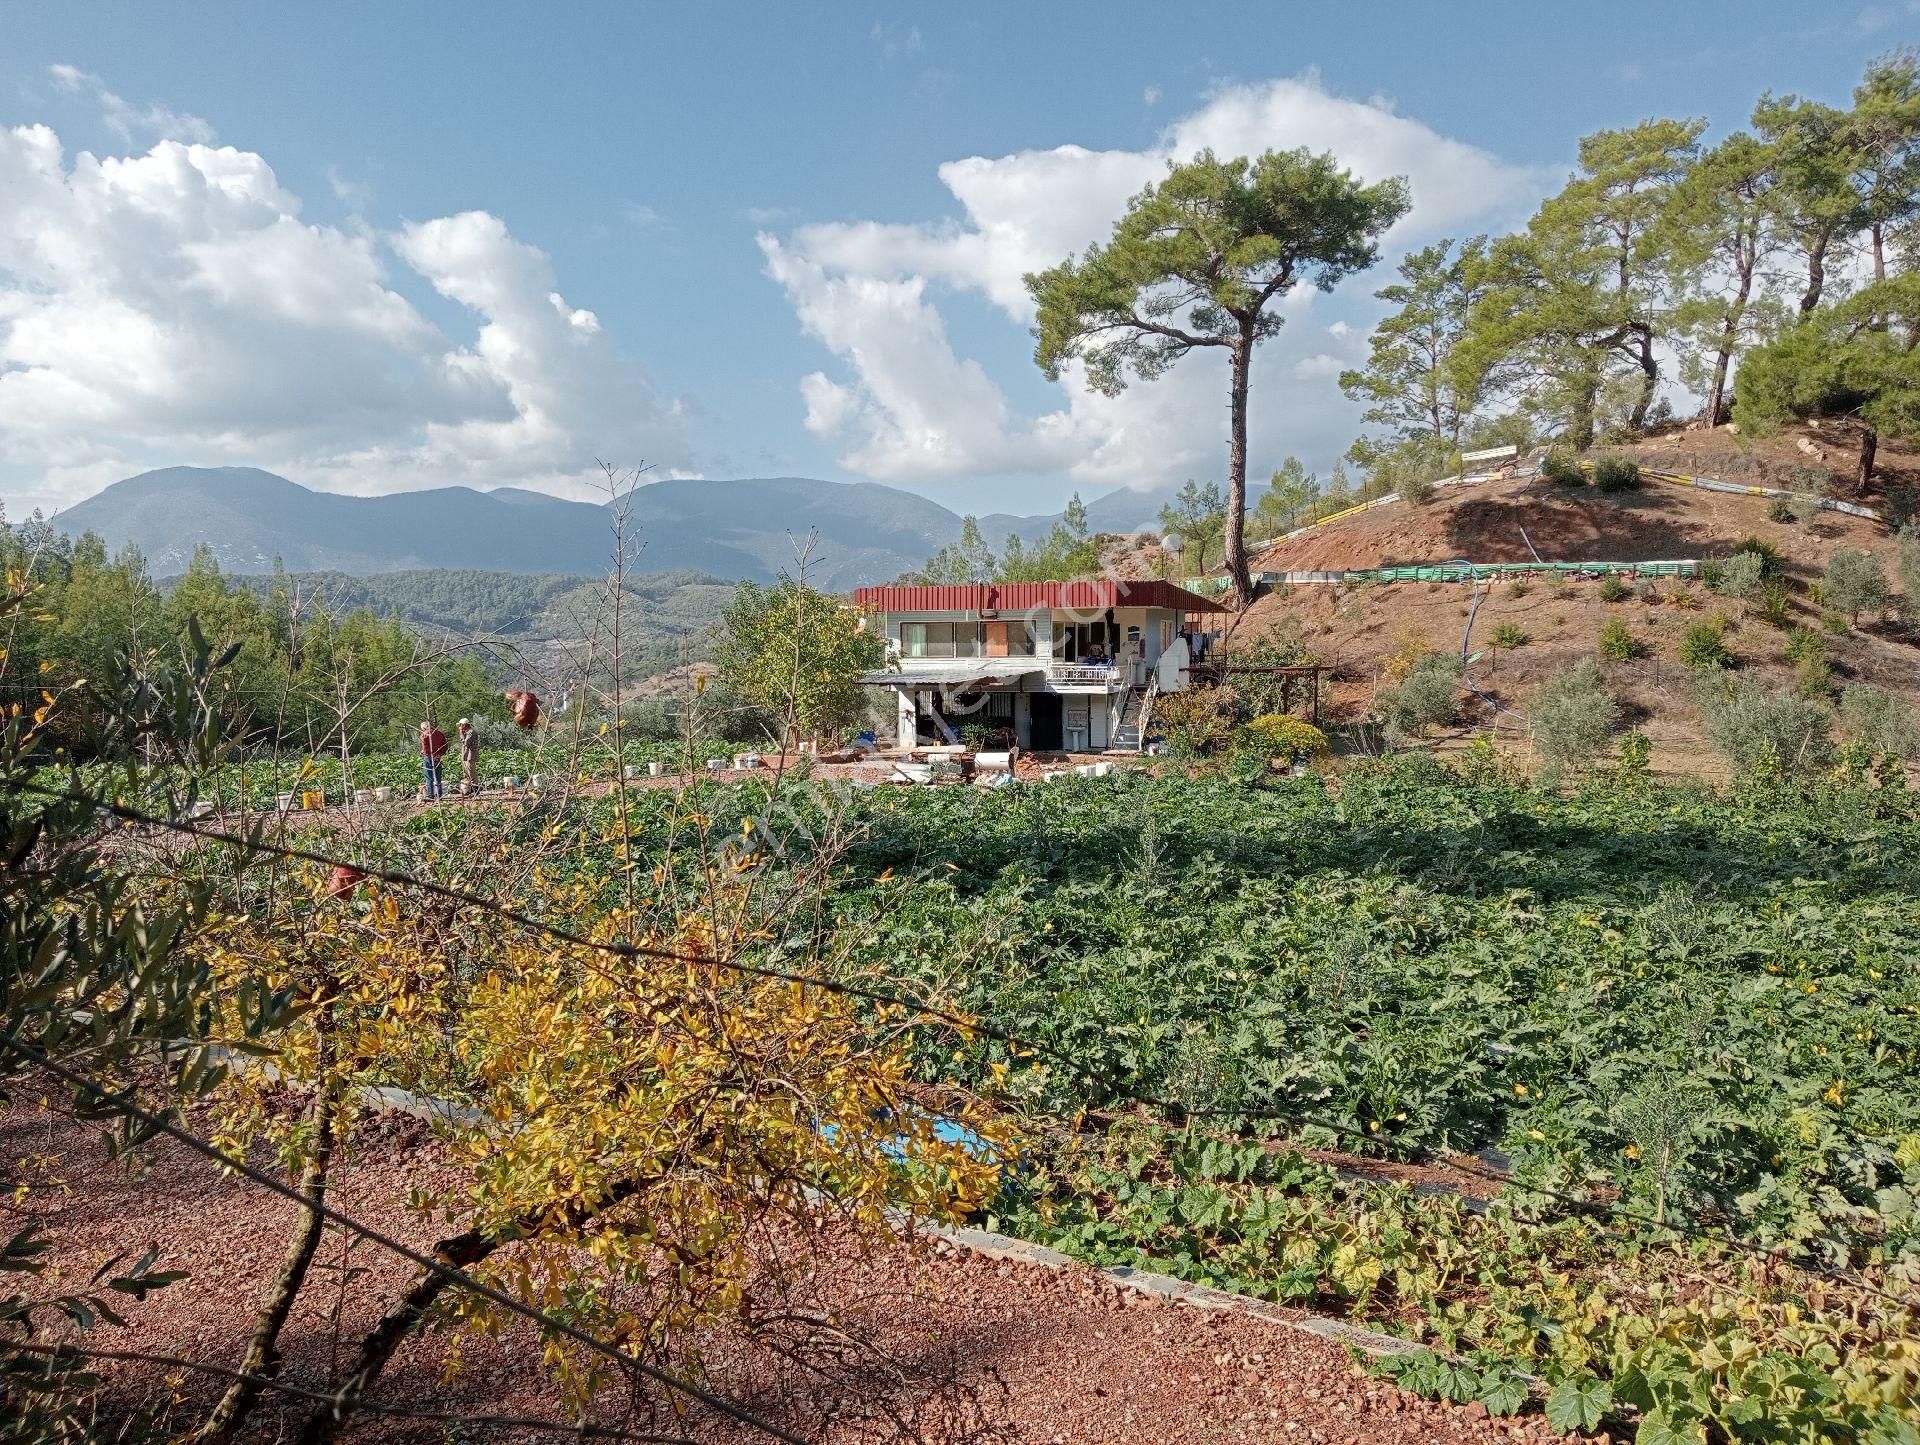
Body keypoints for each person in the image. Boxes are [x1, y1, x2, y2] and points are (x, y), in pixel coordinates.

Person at [419, 719, 448, 801]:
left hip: (428, 757)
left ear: (424, 727)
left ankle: (430, 795)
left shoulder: (424, 734)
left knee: (428, 776)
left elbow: (425, 747)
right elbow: (445, 745)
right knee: (438, 776)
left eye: (422, 729)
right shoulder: (440, 733)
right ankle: (439, 795)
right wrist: (439, 754)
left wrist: (429, 754)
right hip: (438, 757)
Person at [457, 717, 479, 795]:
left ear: (463, 725)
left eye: (460, 725)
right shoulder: (468, 732)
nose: (459, 727)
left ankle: (475, 790)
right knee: (466, 773)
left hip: (470, 755)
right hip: (466, 755)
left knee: (471, 773)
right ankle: (468, 790)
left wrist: (461, 735)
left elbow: (466, 743)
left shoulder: (471, 732)